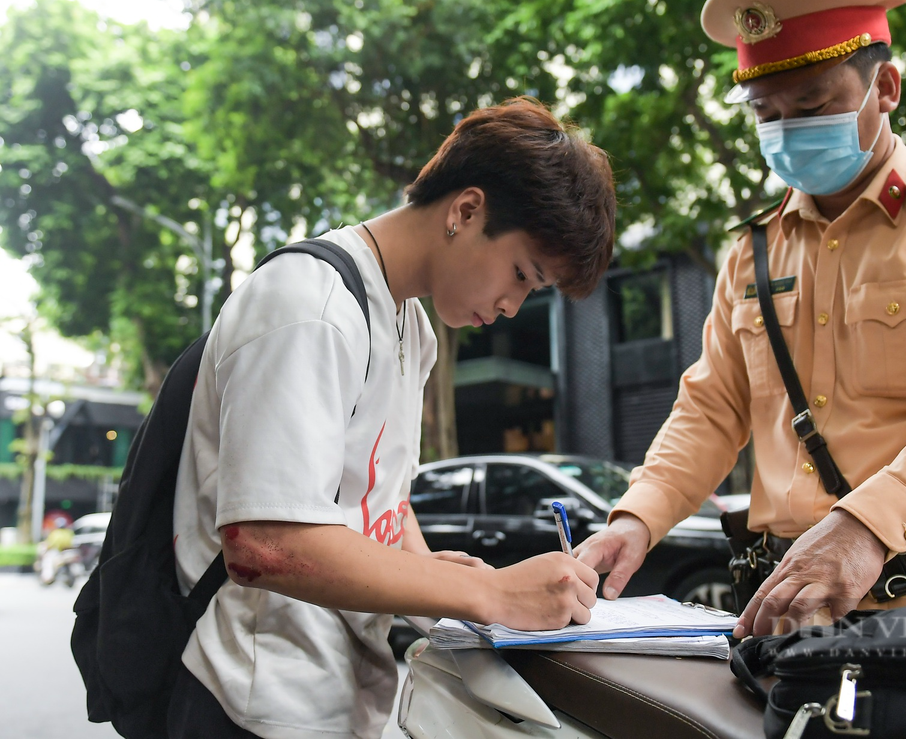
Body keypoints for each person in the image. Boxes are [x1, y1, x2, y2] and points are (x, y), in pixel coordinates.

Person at [576, 0, 906, 639]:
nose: (787, 132)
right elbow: (711, 408)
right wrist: (637, 517)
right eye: (765, 115)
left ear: (886, 88)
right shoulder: (753, 254)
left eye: (811, 107)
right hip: (788, 614)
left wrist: (867, 524)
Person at [170, 98, 616, 739]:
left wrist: (437, 577)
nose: (514, 305)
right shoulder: (311, 306)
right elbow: (264, 544)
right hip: (252, 701)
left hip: (339, 694)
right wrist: (487, 596)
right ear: (466, 211)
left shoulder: (410, 323)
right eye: (521, 274)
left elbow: (384, 496)